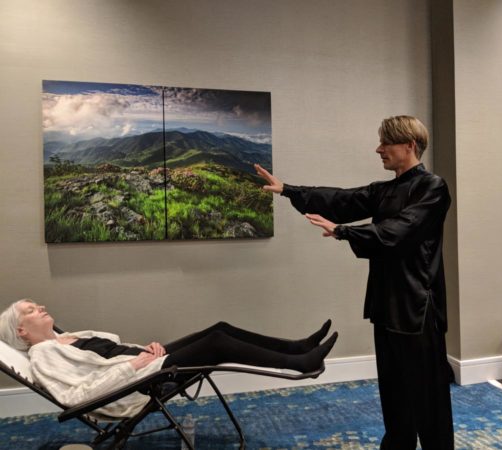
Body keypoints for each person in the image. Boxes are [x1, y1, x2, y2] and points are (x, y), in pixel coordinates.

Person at [255, 115, 453, 449]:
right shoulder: (385, 190)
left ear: (409, 146)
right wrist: (289, 190)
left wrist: (344, 231)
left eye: (386, 143)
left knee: (428, 396)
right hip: (386, 302)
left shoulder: (432, 187)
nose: (379, 149)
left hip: (418, 307)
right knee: (393, 391)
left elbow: (400, 231)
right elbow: (341, 200)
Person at [0, 299, 337, 418]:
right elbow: (77, 396)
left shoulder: (62, 337)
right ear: (22, 332)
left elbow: (111, 351)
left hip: (148, 364)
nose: (40, 308)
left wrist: (144, 349)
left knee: (219, 327)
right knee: (218, 341)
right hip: (141, 384)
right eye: (31, 310)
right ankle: (300, 362)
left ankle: (296, 347)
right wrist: (136, 364)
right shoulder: (44, 354)